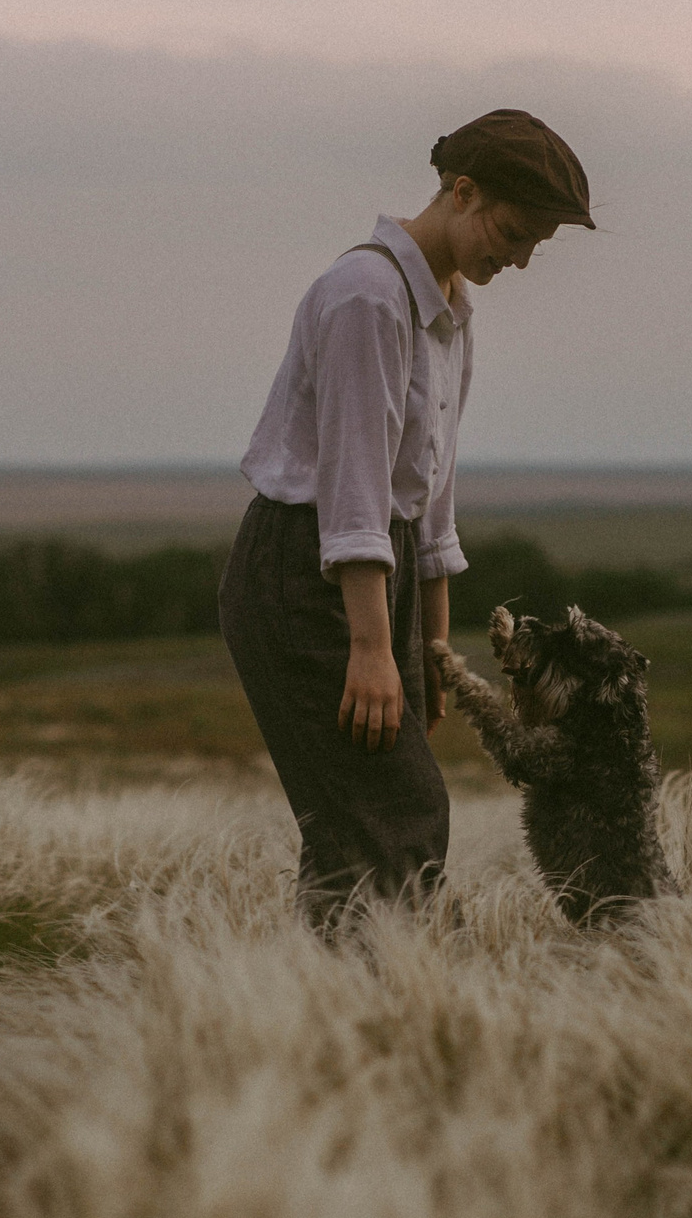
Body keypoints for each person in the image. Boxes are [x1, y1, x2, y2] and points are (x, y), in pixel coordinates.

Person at [221, 108, 595, 931]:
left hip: (368, 573)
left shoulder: (451, 311)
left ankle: (324, 994)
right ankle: (379, 992)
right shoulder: (368, 298)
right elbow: (355, 488)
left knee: (363, 818)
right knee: (395, 811)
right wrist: (369, 645)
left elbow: (428, 495)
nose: (519, 259)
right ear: (463, 192)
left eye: (536, 246)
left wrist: (430, 651)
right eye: (514, 232)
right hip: (306, 572)